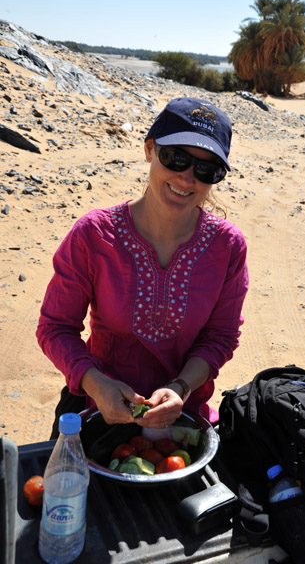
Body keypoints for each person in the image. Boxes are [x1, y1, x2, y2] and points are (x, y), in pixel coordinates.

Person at [36, 97, 249, 438]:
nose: (187, 177)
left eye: (206, 170)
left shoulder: (227, 247)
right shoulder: (94, 235)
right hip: (94, 410)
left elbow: (220, 337)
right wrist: (96, 382)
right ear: (150, 149)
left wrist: (181, 387)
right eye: (176, 157)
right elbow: (55, 327)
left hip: (183, 417)